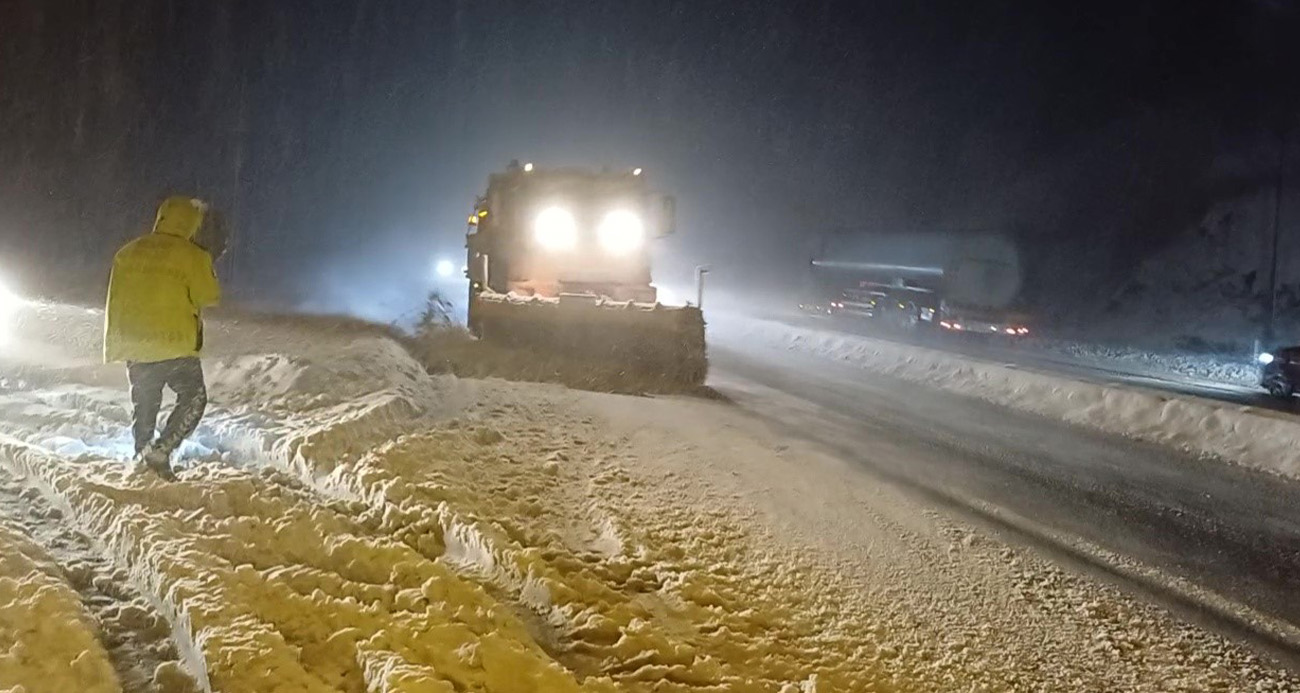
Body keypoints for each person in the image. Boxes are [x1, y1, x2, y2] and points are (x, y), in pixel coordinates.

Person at [104, 196, 222, 479]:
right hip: (174, 342)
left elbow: (115, 299)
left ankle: (142, 454)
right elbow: (209, 295)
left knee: (145, 404)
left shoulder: (127, 252)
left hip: (135, 343)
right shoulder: (193, 255)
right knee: (193, 399)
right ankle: (161, 450)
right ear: (191, 224)